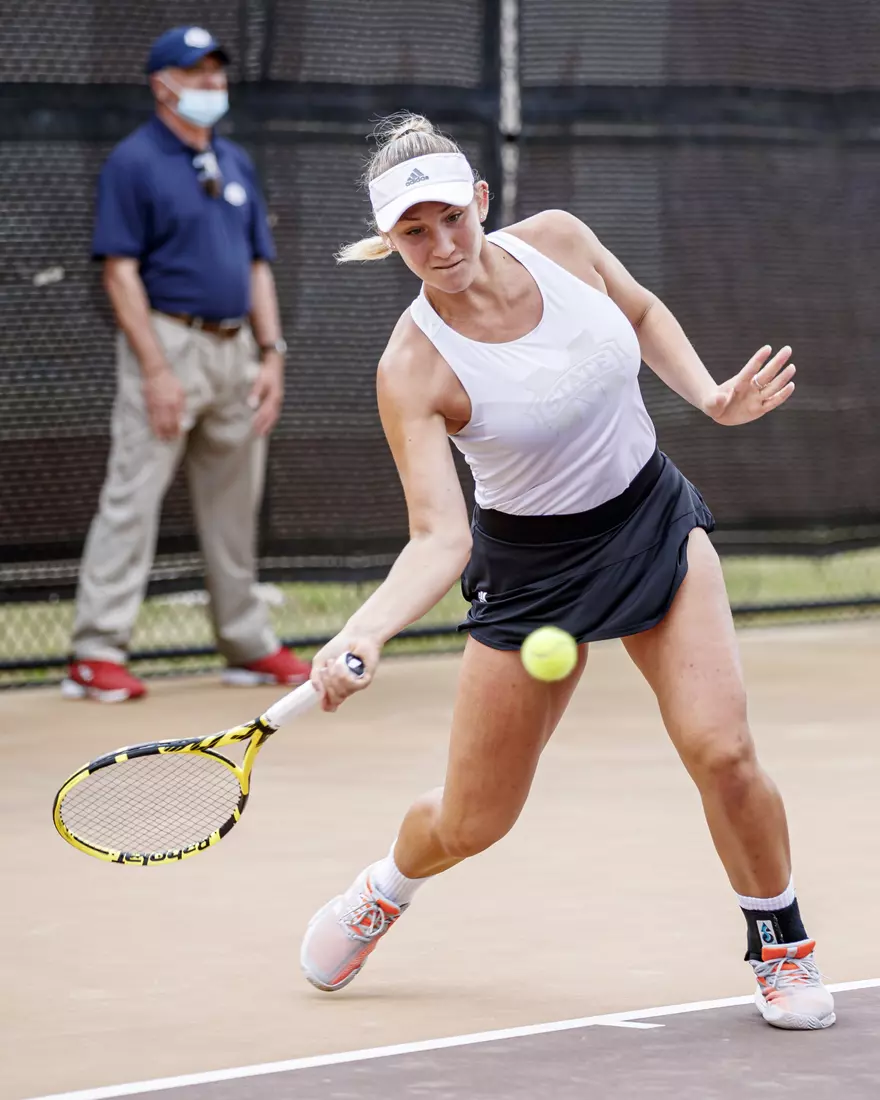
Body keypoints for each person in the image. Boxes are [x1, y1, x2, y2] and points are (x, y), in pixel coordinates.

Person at [299, 112, 834, 1032]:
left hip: (650, 522)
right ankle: (385, 886)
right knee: (475, 821)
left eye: (450, 218)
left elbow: (642, 312)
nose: (440, 245)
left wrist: (710, 396)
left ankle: (781, 947)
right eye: (413, 232)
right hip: (533, 574)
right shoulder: (413, 367)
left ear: (481, 199)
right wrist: (365, 629)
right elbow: (439, 537)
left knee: (723, 750)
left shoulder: (559, 241)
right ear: (390, 241)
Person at [62, 26, 310, 703]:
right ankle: (95, 652)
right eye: (195, 72)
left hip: (238, 350)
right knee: (132, 496)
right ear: (162, 85)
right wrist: (156, 370)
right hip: (168, 345)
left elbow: (258, 265)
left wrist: (271, 354)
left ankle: (246, 644)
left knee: (235, 505)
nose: (211, 83)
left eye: (216, 71)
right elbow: (119, 272)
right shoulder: (133, 162)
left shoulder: (234, 160)